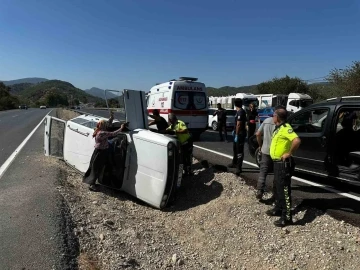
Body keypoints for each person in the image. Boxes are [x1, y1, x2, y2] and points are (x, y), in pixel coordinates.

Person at [266, 108, 301, 227]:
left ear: (277, 117)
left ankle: (287, 217)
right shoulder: (279, 128)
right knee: (277, 187)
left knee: (284, 190)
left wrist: (289, 153)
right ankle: (278, 208)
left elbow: (296, 140)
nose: (272, 117)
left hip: (283, 164)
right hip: (276, 163)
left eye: (273, 115)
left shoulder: (286, 128)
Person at [83, 112, 127, 191]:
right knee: (97, 168)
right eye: (105, 124)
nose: (106, 125)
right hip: (101, 153)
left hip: (97, 152)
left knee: (94, 167)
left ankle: (91, 182)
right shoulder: (102, 133)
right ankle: (92, 185)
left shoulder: (98, 130)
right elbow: (113, 133)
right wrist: (121, 128)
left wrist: (111, 118)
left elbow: (107, 124)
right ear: (103, 126)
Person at [255, 115, 276, 200]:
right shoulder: (282, 123)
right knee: (277, 173)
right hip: (277, 151)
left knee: (263, 171)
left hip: (266, 150)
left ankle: (260, 190)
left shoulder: (266, 121)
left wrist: (260, 145)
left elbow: (258, 134)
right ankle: (276, 192)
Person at [228, 98, 247, 175]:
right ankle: (234, 163)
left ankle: (239, 167)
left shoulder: (241, 112)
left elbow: (239, 124)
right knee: (235, 149)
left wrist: (236, 134)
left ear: (235, 104)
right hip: (237, 133)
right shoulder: (238, 111)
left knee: (239, 151)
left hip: (240, 134)